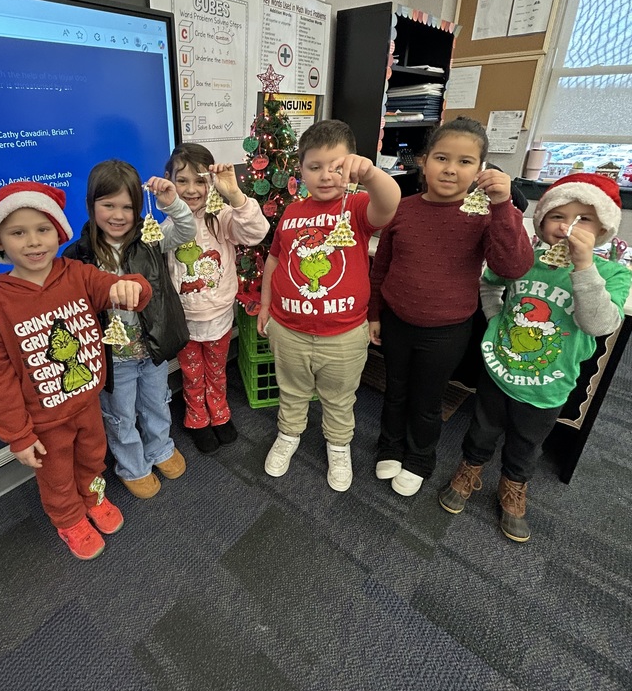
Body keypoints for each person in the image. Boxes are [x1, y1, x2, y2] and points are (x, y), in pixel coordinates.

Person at [439, 172, 631, 542]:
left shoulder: (611, 274)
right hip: (500, 367)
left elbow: (599, 325)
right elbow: (490, 281)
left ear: (604, 228)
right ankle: (469, 469)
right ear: (542, 220)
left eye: (584, 219)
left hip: (549, 382)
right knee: (482, 428)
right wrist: (496, 318)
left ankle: (513, 486)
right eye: (560, 216)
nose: (568, 227)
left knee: (526, 442)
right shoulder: (524, 257)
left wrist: (585, 267)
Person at [0, 181, 151, 560]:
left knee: (93, 459)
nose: (33, 242)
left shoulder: (78, 274)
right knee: (56, 476)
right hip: (44, 420)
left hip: (88, 404)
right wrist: (17, 435)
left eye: (43, 229)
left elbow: (119, 287)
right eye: (18, 233)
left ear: (59, 232)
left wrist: (132, 288)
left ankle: (93, 497)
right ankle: (68, 519)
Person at [368, 117, 534, 497]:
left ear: (481, 170)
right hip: (396, 319)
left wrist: (503, 204)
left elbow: (512, 267)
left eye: (465, 162)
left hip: (446, 329)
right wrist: (374, 314)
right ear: (424, 162)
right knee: (395, 389)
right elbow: (382, 267)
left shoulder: (485, 214)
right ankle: (390, 446)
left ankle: (420, 458)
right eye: (442, 158)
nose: (451, 169)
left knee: (427, 399)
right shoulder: (402, 208)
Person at [257, 119, 401, 491]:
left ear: (350, 165)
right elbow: (274, 260)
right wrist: (266, 306)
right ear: (300, 170)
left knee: (339, 398)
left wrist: (370, 175)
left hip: (343, 335)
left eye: (336, 167)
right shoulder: (291, 212)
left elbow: (390, 204)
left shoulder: (355, 205)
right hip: (289, 329)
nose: (325, 176)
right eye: (314, 167)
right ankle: (289, 435)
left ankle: (339, 446)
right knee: (291, 390)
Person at [63, 160, 195, 499]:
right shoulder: (78, 255)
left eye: (127, 206)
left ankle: (160, 449)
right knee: (120, 416)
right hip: (113, 358)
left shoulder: (150, 237)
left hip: (150, 349)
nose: (118, 215)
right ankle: (133, 466)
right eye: (108, 205)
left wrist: (170, 201)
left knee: (157, 404)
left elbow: (185, 230)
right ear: (92, 204)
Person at [164, 143, 270, 453]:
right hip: (184, 318)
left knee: (216, 369)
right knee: (192, 374)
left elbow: (255, 232)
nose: (191, 189)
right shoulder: (166, 226)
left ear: (210, 182)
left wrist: (235, 195)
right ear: (168, 179)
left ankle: (220, 414)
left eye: (199, 180)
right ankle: (197, 418)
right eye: (182, 180)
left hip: (219, 314)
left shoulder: (220, 216)